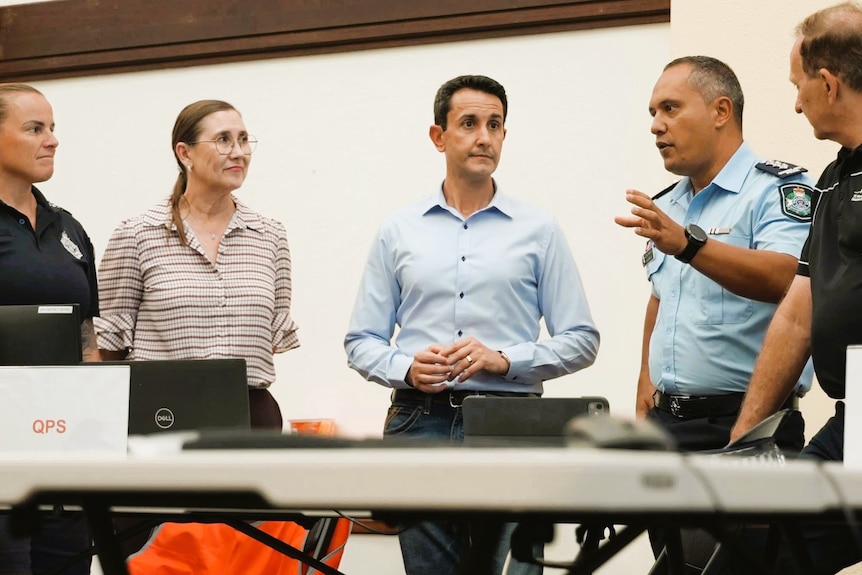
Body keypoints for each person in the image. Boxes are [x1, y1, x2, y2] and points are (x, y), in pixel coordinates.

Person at [344, 74, 600, 575]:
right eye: (469, 124)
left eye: (495, 124)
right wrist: (405, 368)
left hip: (514, 425)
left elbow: (583, 339)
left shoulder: (539, 230)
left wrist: (506, 361)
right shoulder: (399, 230)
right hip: (420, 421)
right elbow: (361, 341)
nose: (485, 136)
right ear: (438, 136)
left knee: (517, 570)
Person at [613, 57, 815, 574]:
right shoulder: (668, 204)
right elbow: (659, 306)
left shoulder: (776, 190)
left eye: (671, 108)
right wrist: (644, 420)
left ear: (721, 110)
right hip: (669, 432)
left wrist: (688, 244)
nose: (656, 125)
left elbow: (788, 279)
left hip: (744, 430)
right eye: (653, 112)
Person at [730, 3, 862, 573]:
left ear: (828, 83)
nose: (795, 102)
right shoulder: (834, 178)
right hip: (853, 415)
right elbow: (797, 314)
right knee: (775, 553)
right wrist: (744, 440)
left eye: (799, 85)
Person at [95, 99, 299, 431]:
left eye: (244, 139)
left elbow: (271, 338)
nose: (238, 152)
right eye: (223, 140)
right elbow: (108, 346)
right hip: (164, 414)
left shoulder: (270, 235)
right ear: (184, 153)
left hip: (253, 415)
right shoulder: (137, 234)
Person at [0, 84, 97, 574]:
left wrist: (95, 429)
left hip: (61, 451)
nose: (52, 139)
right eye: (34, 128)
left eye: (53, 128)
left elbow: (87, 337)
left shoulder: (69, 229)